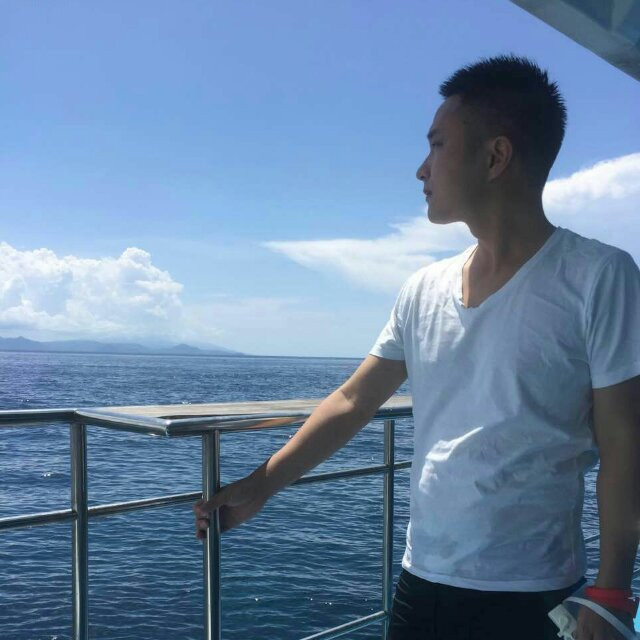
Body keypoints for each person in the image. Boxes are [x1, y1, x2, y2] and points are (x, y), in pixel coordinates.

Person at [194, 54, 640, 640]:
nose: (421, 169)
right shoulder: (422, 288)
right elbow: (355, 399)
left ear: (495, 157)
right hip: (420, 583)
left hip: (532, 590)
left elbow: (625, 443)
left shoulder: (598, 277)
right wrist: (262, 485)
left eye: (436, 145)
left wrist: (610, 592)